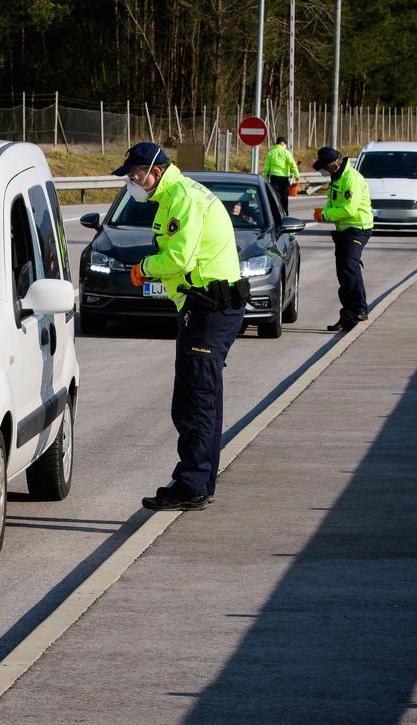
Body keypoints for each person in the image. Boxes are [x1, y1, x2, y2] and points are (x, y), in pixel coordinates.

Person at [114, 142, 247, 512]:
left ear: (155, 171)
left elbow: (178, 256)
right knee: (204, 398)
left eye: (136, 175)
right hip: (203, 306)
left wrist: (145, 268)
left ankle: (191, 484)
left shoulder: (183, 198)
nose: (132, 182)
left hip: (210, 308)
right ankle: (200, 481)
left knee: (194, 401)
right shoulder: (174, 196)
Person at [312, 146, 373, 332]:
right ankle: (347, 317)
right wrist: (325, 212)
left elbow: (349, 209)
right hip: (343, 230)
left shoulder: (350, 178)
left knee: (349, 267)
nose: (322, 171)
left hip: (358, 227)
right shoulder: (336, 177)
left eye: (323, 167)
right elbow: (335, 203)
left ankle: (360, 309)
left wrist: (325, 215)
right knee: (343, 273)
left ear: (333, 165)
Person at [262, 136, 299, 213]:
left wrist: (265, 177)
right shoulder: (286, 152)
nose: (286, 145)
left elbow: (266, 167)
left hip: (274, 178)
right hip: (284, 178)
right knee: (284, 196)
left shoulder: (271, 153)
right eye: (285, 143)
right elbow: (293, 164)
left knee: (275, 196)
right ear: (282, 143)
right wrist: (297, 176)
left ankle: (275, 212)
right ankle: (285, 212)